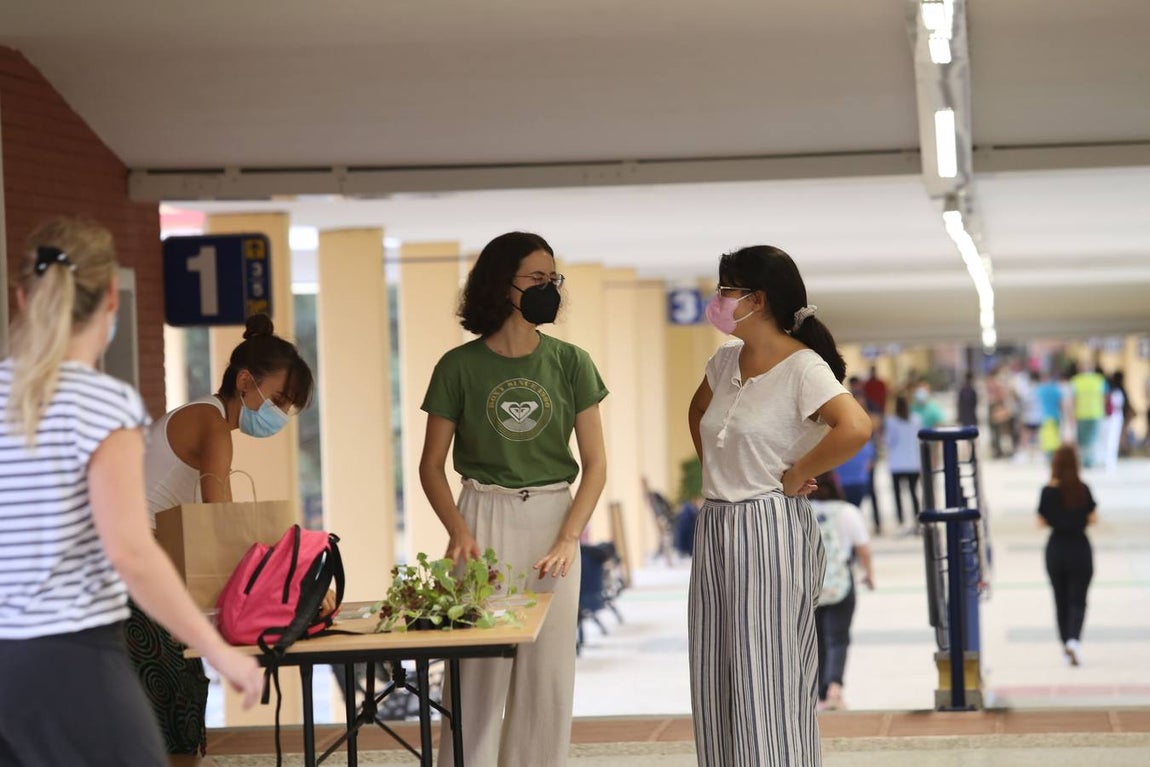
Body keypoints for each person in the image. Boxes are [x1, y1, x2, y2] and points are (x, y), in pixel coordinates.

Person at [0, 218, 264, 766]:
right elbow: (130, 551)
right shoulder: (103, 405)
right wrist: (218, 651)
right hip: (79, 655)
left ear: (22, 297)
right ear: (111, 302)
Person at [419, 232, 608, 767]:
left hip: (553, 516)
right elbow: (431, 466)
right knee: (477, 671)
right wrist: (459, 530)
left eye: (553, 279)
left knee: (548, 674)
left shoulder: (571, 362)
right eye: (537, 278)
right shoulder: (458, 367)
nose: (550, 289)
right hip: (482, 513)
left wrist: (569, 536)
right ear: (504, 284)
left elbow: (596, 464)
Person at [687, 245, 871, 766]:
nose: (718, 299)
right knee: (715, 668)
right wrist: (721, 469)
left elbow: (856, 427)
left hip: (766, 525)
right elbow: (698, 413)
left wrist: (798, 471)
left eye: (726, 289)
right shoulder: (725, 360)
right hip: (717, 522)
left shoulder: (803, 366)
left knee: (765, 670)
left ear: (758, 299)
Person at [131, 313, 319, 756]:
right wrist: (288, 581)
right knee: (175, 710)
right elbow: (224, 522)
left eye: (288, 407)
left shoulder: (202, 414)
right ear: (245, 381)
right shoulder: (214, 426)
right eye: (279, 399)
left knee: (169, 704)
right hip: (131, 577)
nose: (281, 415)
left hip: (127, 569)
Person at [811, 472, 874, 711]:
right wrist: (869, 574)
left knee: (815, 639)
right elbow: (863, 548)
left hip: (811, 582)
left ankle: (819, 694)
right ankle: (834, 689)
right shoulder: (847, 512)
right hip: (840, 582)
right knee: (838, 638)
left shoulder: (802, 510)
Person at [1038, 445, 1097, 666]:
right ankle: (1074, 640)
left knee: (1060, 599)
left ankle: (1065, 645)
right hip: (1080, 547)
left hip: (1056, 548)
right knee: (1078, 599)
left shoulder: (1048, 491)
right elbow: (1093, 518)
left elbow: (1040, 521)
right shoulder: (1083, 489)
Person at [883, 395, 922, 532]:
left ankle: (901, 521)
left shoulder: (891, 421)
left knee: (897, 494)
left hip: (897, 463)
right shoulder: (916, 419)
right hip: (913, 462)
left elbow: (888, 441)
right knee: (913, 493)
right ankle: (917, 520)